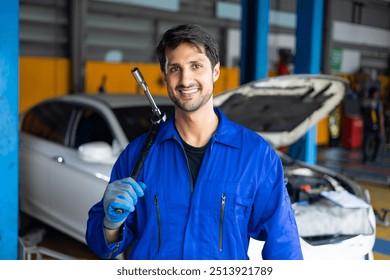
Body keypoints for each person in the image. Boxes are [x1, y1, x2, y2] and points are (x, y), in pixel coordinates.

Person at [85, 23, 303, 260]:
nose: (185, 79)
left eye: (196, 66)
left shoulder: (256, 155)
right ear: (165, 77)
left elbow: (284, 246)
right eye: (175, 68)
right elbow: (103, 245)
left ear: (215, 71)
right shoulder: (137, 155)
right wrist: (110, 224)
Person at [361, 86, 385, 163]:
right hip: (374, 124)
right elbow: (380, 115)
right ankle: (373, 156)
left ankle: (366, 157)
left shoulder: (364, 102)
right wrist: (381, 127)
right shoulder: (377, 103)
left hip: (368, 124)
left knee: (367, 141)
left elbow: (361, 113)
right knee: (378, 140)